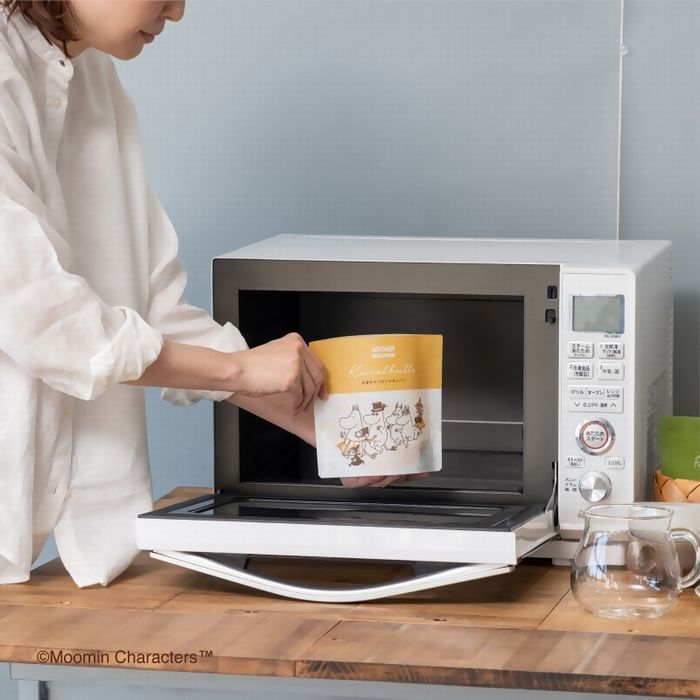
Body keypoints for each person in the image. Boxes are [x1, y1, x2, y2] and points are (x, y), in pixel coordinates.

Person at [0, 0, 413, 588]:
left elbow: (147, 308)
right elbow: (44, 317)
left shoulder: (91, 78)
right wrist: (240, 370)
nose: (176, 11)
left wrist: (332, 432)